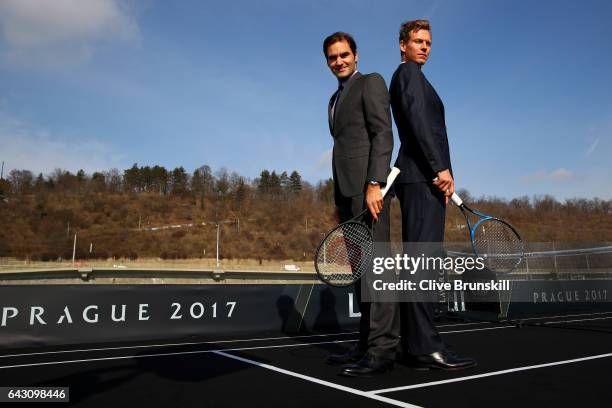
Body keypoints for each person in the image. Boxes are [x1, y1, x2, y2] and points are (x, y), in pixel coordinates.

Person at [390, 19, 476, 370]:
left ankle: (416, 346)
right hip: (424, 180)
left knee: (420, 265)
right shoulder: (408, 74)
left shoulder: (414, 76)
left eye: (428, 42)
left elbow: (413, 133)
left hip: (422, 180)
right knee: (422, 266)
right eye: (417, 41)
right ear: (402, 45)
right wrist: (440, 169)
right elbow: (418, 126)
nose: (424, 46)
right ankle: (425, 347)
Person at [322, 32, 398, 376]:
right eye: (332, 57)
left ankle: (383, 350)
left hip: (370, 192)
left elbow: (383, 134)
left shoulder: (371, 83)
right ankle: (366, 343)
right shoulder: (332, 100)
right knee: (360, 273)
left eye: (344, 55)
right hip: (346, 194)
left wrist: (374, 183)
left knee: (376, 270)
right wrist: (340, 200)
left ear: (356, 55)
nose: (339, 61)